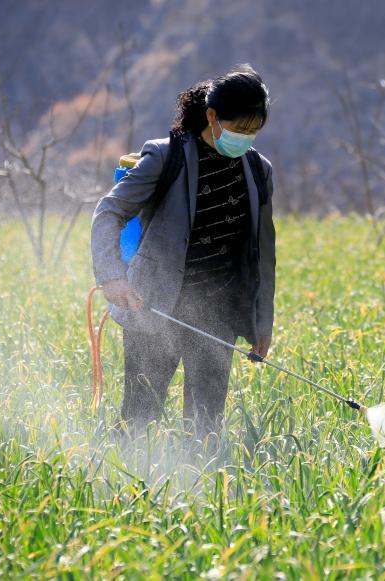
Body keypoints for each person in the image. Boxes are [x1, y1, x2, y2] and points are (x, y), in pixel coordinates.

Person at [90, 63, 276, 439]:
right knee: (139, 417)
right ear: (212, 116)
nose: (246, 138)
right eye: (239, 129)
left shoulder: (258, 171)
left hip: (218, 314)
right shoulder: (165, 157)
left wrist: (261, 323)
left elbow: (263, 254)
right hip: (153, 304)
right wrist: (112, 278)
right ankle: (120, 485)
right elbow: (110, 211)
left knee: (206, 426)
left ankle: (200, 488)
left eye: (253, 131)